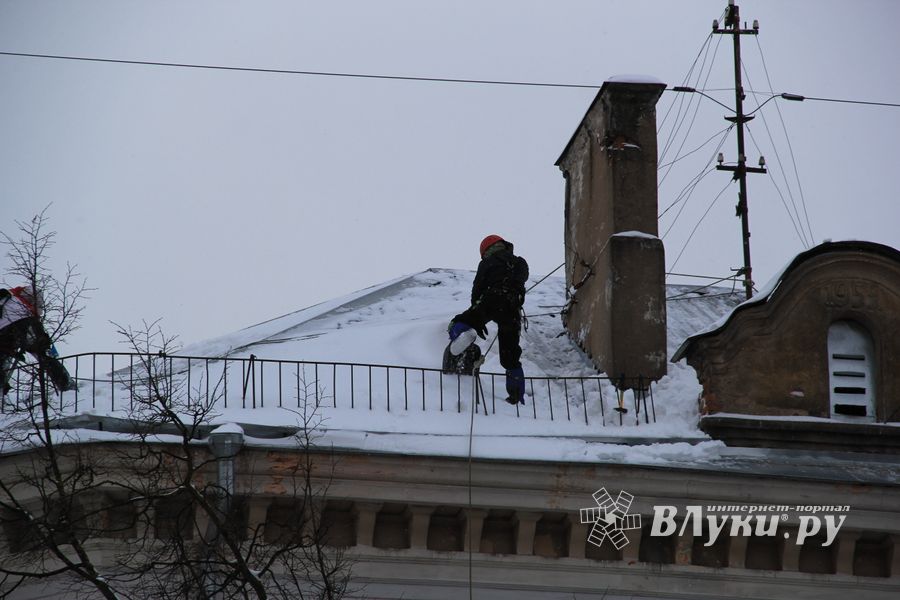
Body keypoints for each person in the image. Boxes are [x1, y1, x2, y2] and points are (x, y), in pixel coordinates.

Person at [448, 234, 529, 404]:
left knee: (460, 320)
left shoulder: (487, 262)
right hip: (512, 309)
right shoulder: (520, 262)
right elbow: (521, 282)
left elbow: (478, 287)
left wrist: (476, 314)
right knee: (510, 355)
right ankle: (516, 395)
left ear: (486, 250)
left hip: (492, 299)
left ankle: (460, 335)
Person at [0, 286, 75, 395]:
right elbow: (36, 291)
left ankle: (2, 394)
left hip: (4, 332)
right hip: (25, 321)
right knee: (43, 353)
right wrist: (37, 314)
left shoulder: (7, 297)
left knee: (2, 360)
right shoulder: (14, 295)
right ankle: (67, 386)